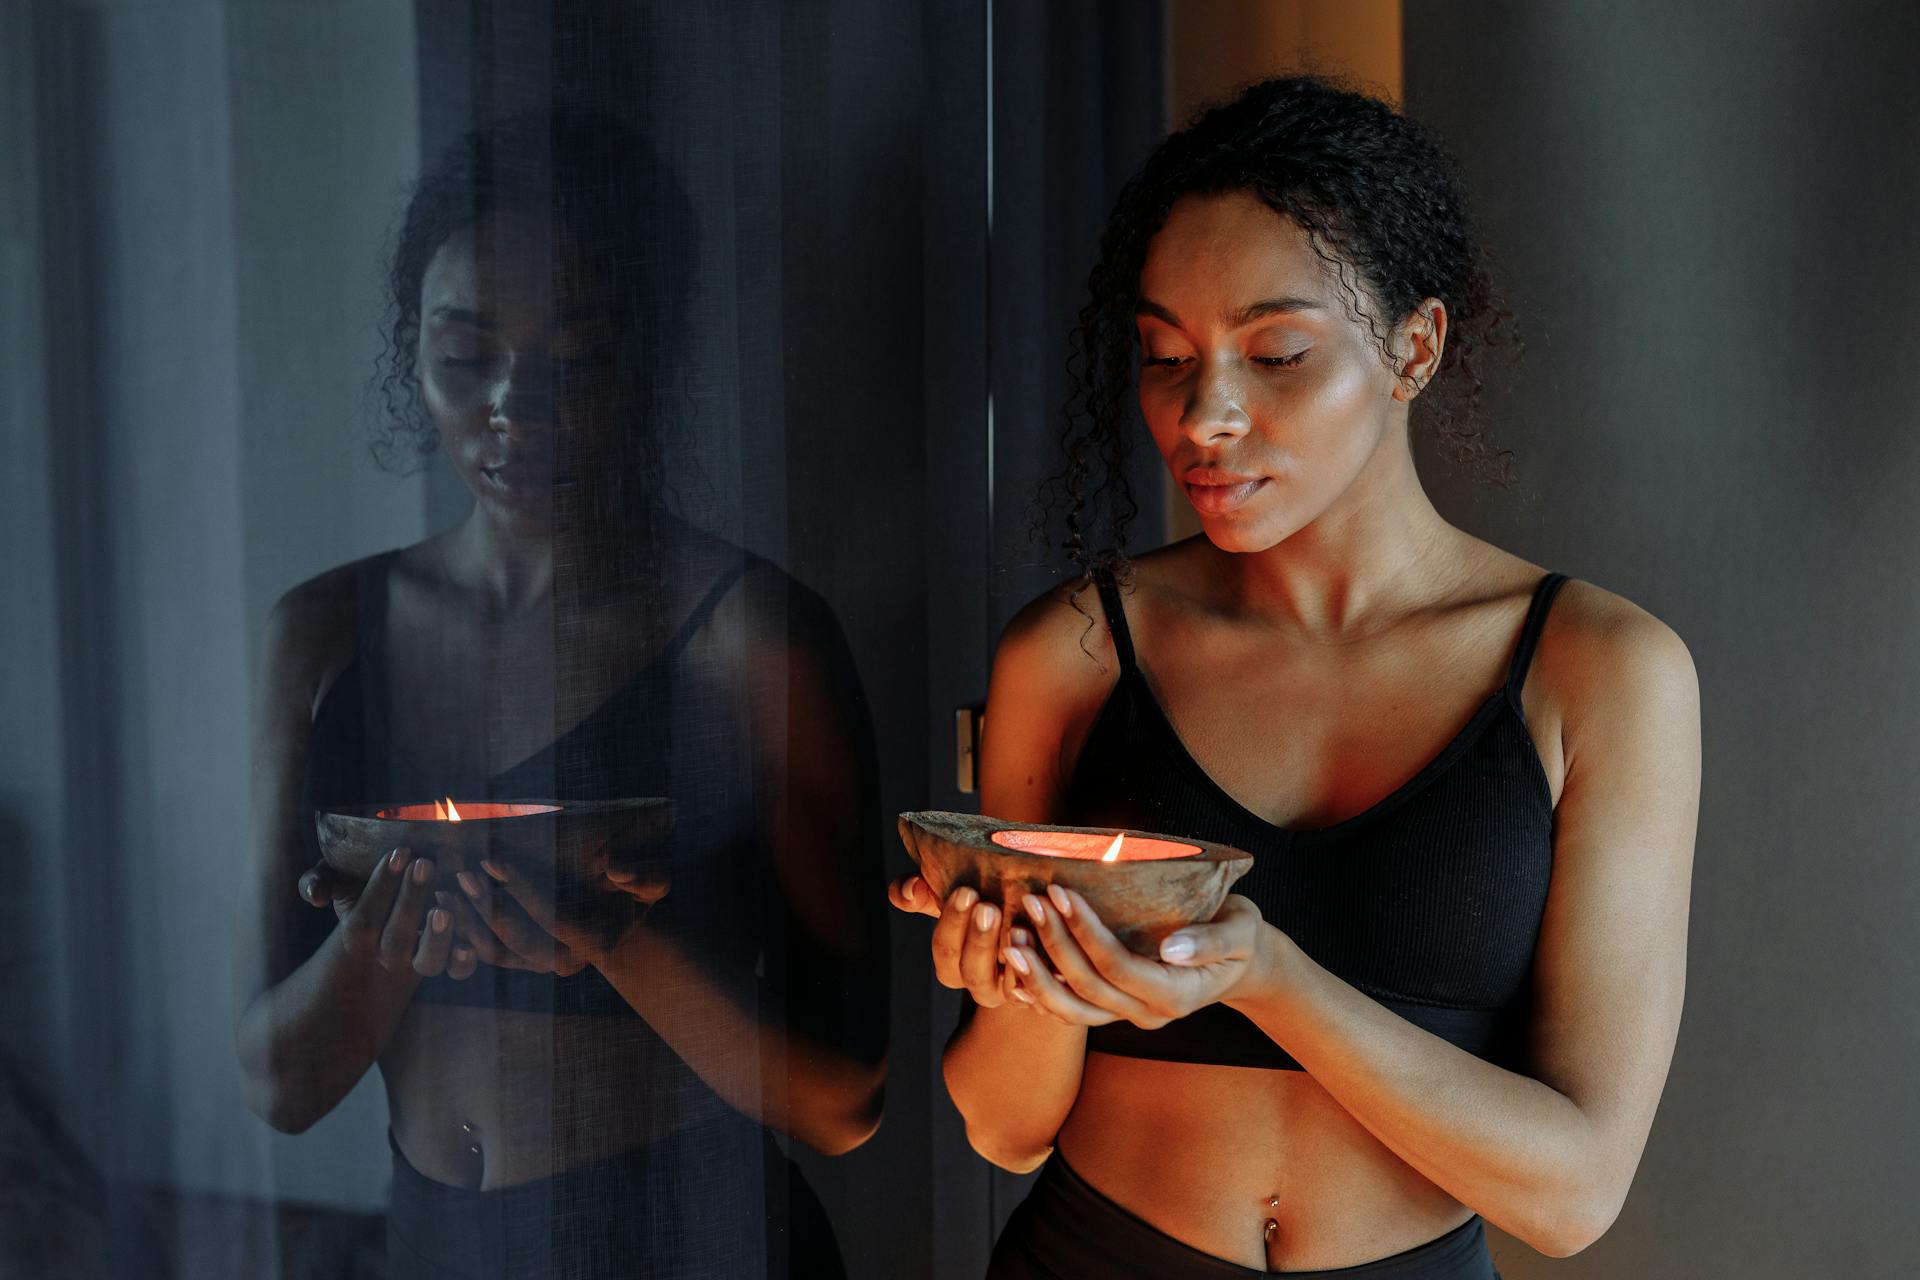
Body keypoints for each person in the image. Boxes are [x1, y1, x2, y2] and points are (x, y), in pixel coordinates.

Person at [892, 76, 1699, 1278]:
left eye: (1275, 353)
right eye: (1166, 355)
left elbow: (1575, 1190)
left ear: (1413, 348)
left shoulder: (1599, 672)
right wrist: (1028, 982)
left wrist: (1266, 973)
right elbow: (1006, 1129)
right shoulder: (1072, 651)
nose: (1204, 414)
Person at [235, 115, 887, 1279]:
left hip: (686, 1240)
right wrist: (390, 938)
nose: (516, 409)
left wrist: (609, 935)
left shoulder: (748, 640)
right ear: (411, 351)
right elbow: (278, 1084)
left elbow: (844, 1100)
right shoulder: (322, 636)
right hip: (436, 1241)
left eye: (575, 361)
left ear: (648, 361)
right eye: (464, 352)